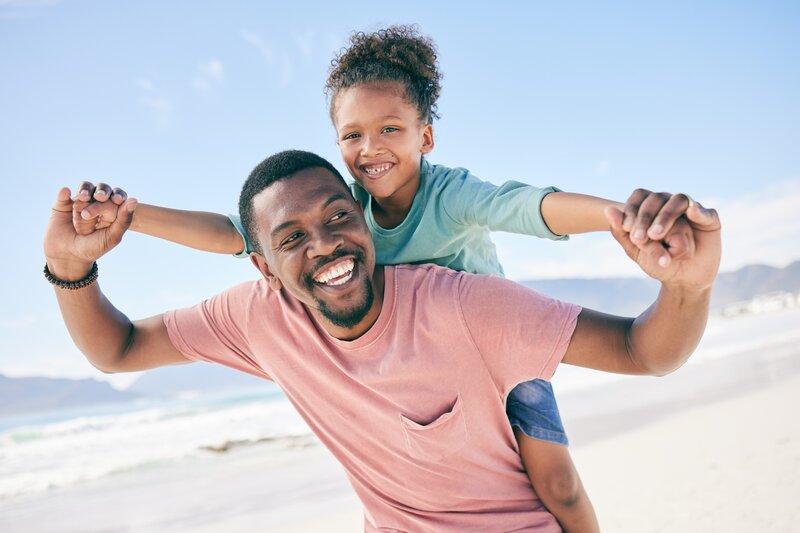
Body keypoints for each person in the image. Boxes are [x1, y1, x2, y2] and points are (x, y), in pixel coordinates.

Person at [78, 26, 697, 532]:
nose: (371, 148)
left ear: (426, 136)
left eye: (391, 130)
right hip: (420, 365)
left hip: (497, 349)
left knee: (557, 482)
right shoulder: (343, 205)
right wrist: (133, 218)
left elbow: (529, 207)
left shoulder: (449, 195)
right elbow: (237, 235)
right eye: (353, 135)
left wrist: (618, 218)